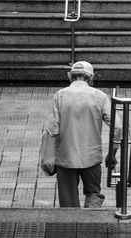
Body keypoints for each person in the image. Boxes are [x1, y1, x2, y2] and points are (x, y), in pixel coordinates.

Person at [47, 61, 121, 208]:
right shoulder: (99, 96)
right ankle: (91, 223)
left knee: (68, 201)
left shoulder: (60, 96)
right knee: (94, 193)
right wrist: (112, 152)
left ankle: (71, 226)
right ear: (91, 77)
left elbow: (52, 129)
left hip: (66, 157)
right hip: (91, 157)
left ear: (70, 76)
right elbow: (118, 126)